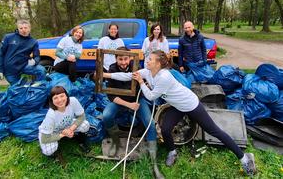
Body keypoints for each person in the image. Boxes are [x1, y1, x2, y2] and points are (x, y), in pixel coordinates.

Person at [104, 50, 257, 176]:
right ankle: (172, 151)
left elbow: (150, 96)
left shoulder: (164, 77)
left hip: (190, 104)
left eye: (150, 59)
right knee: (165, 129)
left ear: (158, 63)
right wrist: (107, 75)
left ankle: (244, 157)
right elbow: (129, 75)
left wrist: (141, 83)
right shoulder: (148, 71)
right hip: (176, 105)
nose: (147, 60)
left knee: (213, 130)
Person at [103, 46, 163, 179]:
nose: (123, 62)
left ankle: (154, 162)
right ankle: (116, 141)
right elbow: (111, 96)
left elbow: (148, 80)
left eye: (125, 59)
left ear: (130, 58)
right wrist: (128, 105)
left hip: (137, 100)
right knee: (106, 116)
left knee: (150, 124)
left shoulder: (137, 66)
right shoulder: (112, 69)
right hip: (120, 101)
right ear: (116, 58)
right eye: (120, 59)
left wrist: (146, 84)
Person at [38, 86, 90, 157]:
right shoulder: (51, 114)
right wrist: (64, 134)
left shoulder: (73, 101)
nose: (59, 100)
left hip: (67, 125)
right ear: (51, 101)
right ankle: (55, 154)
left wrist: (70, 129)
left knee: (86, 125)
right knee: (48, 150)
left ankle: (80, 140)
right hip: (52, 132)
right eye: (55, 98)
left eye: (62, 96)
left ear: (66, 96)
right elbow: (45, 138)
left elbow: (82, 116)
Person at [0, 19, 46, 85]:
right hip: (10, 69)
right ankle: (25, 86)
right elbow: (1, 54)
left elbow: (37, 56)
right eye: (21, 28)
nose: (23, 30)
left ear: (29, 28)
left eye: (25, 28)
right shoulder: (8, 37)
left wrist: (35, 61)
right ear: (18, 29)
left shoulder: (33, 42)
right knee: (20, 88)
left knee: (41, 70)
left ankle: (38, 87)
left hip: (24, 66)